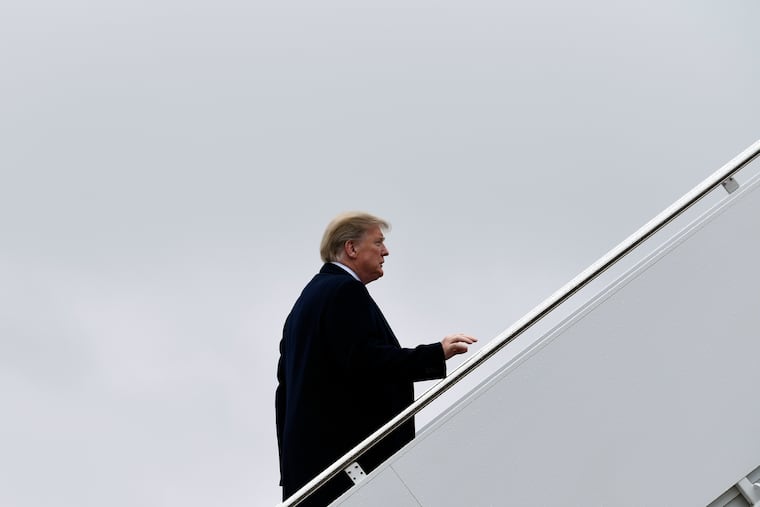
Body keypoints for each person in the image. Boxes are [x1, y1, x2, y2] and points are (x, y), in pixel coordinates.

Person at [276, 211, 477, 506]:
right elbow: (366, 362)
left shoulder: (303, 305)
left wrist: (291, 471)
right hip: (349, 466)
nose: (386, 251)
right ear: (352, 249)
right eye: (378, 242)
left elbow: (284, 392)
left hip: (310, 471)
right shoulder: (344, 291)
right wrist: (436, 353)